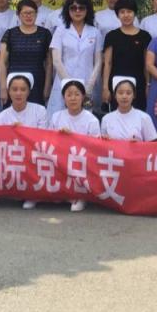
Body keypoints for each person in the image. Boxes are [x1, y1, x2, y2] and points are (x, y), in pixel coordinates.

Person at [0, 72, 48, 210]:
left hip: (34, 153)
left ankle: (32, 194)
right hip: (13, 154)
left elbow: (43, 136)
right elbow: (0, 143)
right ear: (9, 91)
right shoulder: (2, 117)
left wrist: (22, 132)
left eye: (23, 89)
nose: (18, 93)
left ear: (29, 92)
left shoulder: (40, 110)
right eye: (14, 89)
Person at [49, 78, 102, 212]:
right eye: (69, 94)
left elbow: (95, 146)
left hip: (82, 159)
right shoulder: (56, 116)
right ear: (63, 98)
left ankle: (79, 196)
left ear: (83, 97)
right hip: (60, 157)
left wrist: (72, 137)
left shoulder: (91, 120)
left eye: (77, 94)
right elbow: (49, 141)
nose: (73, 98)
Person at [48, 0, 104, 116]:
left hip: (87, 82)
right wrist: (68, 83)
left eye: (81, 8)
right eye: (73, 8)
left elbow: (98, 61)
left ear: (87, 10)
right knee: (60, 118)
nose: (77, 11)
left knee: (85, 118)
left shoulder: (95, 32)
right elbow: (56, 60)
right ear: (67, 11)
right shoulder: (61, 31)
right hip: (63, 80)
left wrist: (90, 84)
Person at [0, 0, 53, 107]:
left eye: (32, 12)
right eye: (25, 13)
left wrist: (47, 87)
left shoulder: (45, 34)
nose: (29, 16)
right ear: (18, 15)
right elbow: (3, 62)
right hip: (14, 83)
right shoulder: (10, 34)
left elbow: (49, 63)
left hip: (38, 83)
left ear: (36, 14)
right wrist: (3, 88)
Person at [102, 0, 152, 111]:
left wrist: (148, 85)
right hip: (116, 83)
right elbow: (108, 63)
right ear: (117, 15)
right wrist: (105, 87)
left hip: (139, 84)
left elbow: (147, 65)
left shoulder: (145, 36)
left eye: (129, 11)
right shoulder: (112, 36)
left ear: (134, 13)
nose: (126, 15)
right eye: (122, 12)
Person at [101, 76, 157, 141]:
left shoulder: (144, 118)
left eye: (128, 93)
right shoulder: (106, 119)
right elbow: (102, 144)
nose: (124, 96)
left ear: (134, 95)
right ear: (115, 95)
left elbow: (152, 144)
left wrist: (139, 144)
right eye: (120, 93)